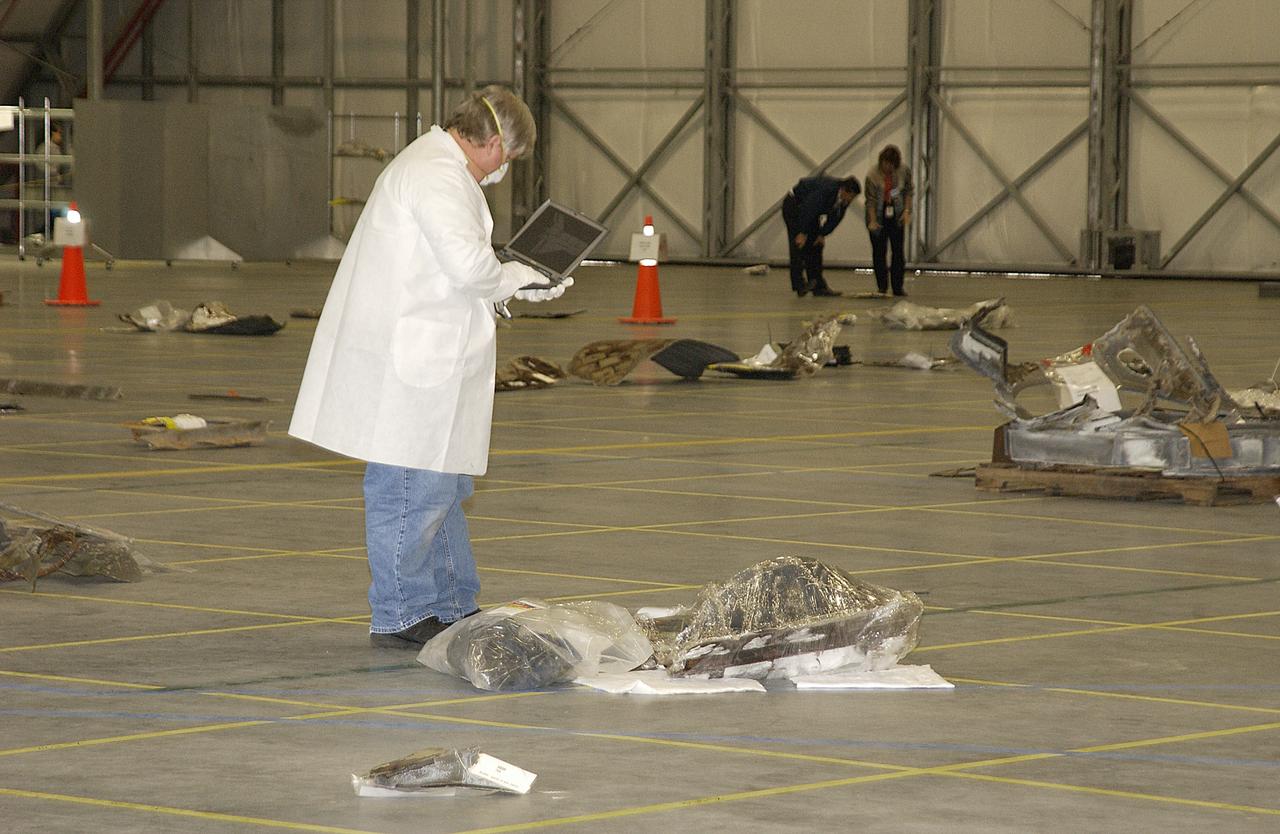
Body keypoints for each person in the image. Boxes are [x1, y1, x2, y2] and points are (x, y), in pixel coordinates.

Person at [289, 85, 570, 649]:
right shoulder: (436, 174)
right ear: (490, 143)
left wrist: (518, 282)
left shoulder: (442, 169)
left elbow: (452, 269)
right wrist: (517, 275)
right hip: (411, 364)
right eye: (508, 159)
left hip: (433, 358)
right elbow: (469, 266)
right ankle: (400, 613)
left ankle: (449, 603)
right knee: (407, 489)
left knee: (441, 489)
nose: (504, 170)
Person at [781, 174, 860, 297]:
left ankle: (818, 286)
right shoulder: (827, 190)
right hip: (794, 206)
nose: (851, 200)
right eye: (851, 196)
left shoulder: (844, 199)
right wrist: (802, 232)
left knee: (816, 245)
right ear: (844, 190)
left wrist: (822, 234)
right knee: (798, 245)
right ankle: (799, 284)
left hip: (810, 212)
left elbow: (835, 218)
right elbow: (809, 208)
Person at [864, 144, 913, 296]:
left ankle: (898, 287)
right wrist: (872, 221)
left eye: (892, 165)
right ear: (881, 162)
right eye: (886, 164)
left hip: (896, 215)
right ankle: (882, 287)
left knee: (898, 251)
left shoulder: (904, 171)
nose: (888, 168)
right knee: (879, 252)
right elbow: (870, 200)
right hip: (878, 215)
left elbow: (908, 191)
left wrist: (906, 211)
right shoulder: (872, 175)